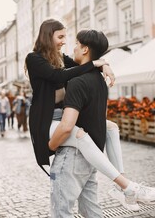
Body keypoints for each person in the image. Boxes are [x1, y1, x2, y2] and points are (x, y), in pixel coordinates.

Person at [49, 29, 155, 215]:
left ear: (85, 49)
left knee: (61, 212)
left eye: (76, 44)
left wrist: (51, 146)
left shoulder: (76, 81)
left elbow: (67, 126)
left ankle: (126, 187)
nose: (73, 48)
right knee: (91, 211)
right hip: (91, 156)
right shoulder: (99, 79)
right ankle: (123, 186)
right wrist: (103, 64)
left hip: (72, 156)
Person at [25, 18, 114, 173]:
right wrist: (95, 64)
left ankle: (120, 175)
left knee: (112, 128)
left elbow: (80, 66)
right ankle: (123, 183)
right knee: (81, 136)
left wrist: (104, 65)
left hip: (66, 115)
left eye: (65, 37)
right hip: (47, 117)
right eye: (60, 37)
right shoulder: (34, 58)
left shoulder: (60, 57)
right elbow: (57, 76)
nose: (64, 41)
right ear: (47, 36)